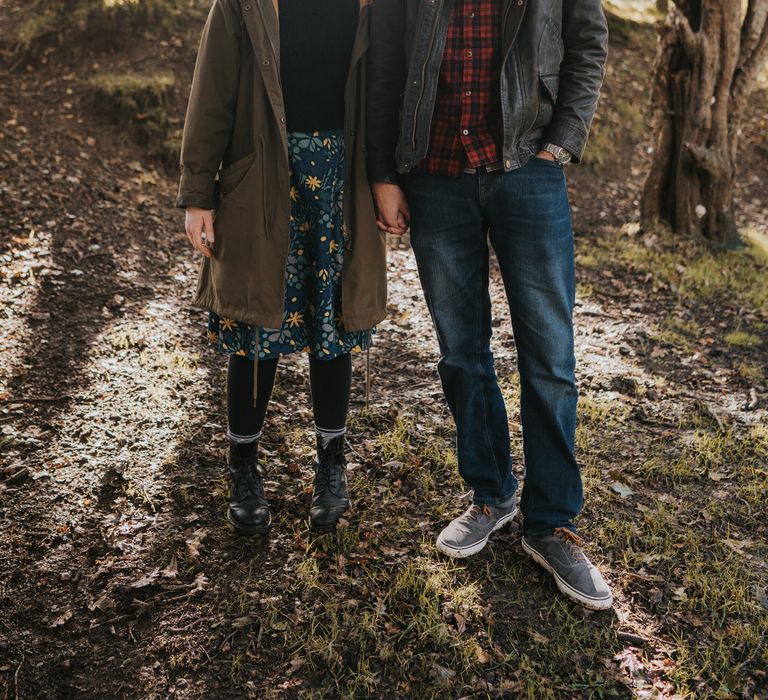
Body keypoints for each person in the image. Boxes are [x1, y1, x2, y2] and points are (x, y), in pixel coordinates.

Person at [367, 0, 612, 609]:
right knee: (461, 351)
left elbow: (588, 42)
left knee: (551, 358)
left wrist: (564, 138)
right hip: (434, 172)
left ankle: (551, 521)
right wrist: (384, 172)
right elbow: (385, 66)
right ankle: (491, 493)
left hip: (530, 167)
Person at [176, 0, 385, 536]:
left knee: (333, 323)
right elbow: (212, 93)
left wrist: (390, 179)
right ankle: (243, 465)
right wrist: (199, 194)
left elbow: (386, 90)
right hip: (263, 174)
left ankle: (331, 463)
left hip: (338, 177)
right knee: (255, 321)